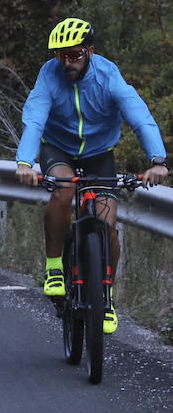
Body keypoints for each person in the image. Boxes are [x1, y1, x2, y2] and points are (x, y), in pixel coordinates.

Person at [15, 18, 167, 334]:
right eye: (61, 55)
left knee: (108, 225)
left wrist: (158, 160)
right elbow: (35, 120)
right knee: (64, 189)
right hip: (59, 149)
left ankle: (106, 296)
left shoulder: (109, 77)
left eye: (73, 54)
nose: (67, 61)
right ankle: (54, 267)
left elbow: (140, 118)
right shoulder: (49, 75)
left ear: (89, 52)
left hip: (99, 154)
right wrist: (25, 163)